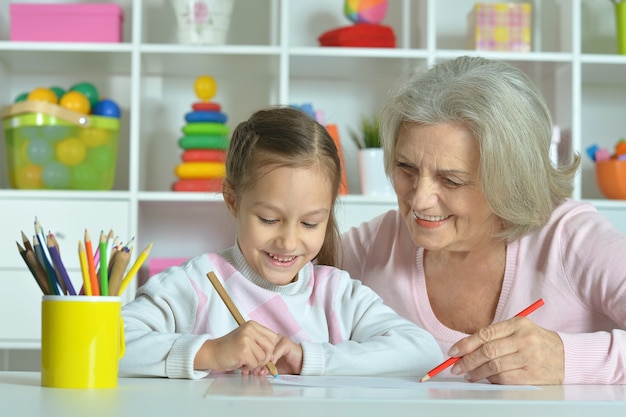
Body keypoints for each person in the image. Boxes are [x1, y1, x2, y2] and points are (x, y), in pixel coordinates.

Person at [339, 56, 626, 385]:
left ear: (510, 180)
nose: (418, 199)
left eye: (451, 181)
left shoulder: (570, 239)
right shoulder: (375, 244)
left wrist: (565, 358)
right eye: (406, 168)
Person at [119, 106, 442, 379]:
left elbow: (422, 352)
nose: (288, 242)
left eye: (310, 223)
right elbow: (106, 345)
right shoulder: (196, 284)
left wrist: (308, 359)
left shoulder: (335, 294)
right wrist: (208, 352)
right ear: (233, 200)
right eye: (269, 220)